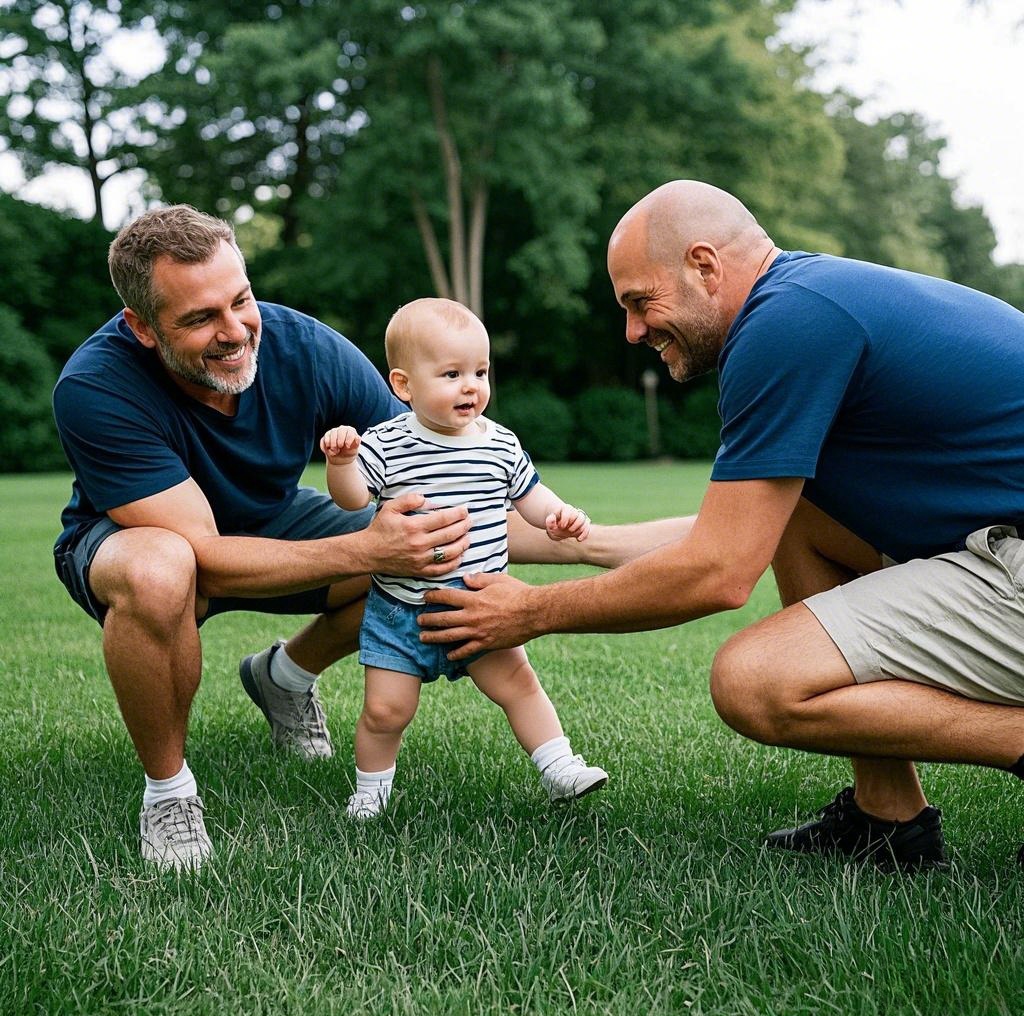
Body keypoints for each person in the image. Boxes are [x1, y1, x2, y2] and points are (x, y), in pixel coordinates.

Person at [419, 179, 1024, 872]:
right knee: (802, 514)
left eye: (640, 302)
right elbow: (737, 528)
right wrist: (559, 540)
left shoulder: (784, 326)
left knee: (755, 682)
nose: (633, 331)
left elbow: (719, 570)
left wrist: (528, 612)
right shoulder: (808, 299)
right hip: (998, 550)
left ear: (705, 266)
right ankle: (890, 821)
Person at [52, 205, 679, 870]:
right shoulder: (96, 385)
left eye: (241, 300)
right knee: (163, 571)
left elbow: (435, 493)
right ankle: (169, 792)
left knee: (410, 556)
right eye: (201, 318)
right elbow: (204, 557)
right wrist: (369, 549)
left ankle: (283, 677)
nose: (236, 331)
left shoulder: (305, 349)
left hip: (274, 517)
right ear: (142, 327)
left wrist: (593, 542)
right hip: (139, 537)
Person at [320, 298, 608, 819]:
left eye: (480, 371)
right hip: (398, 613)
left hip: (479, 605)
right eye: (452, 374)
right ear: (403, 386)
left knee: (518, 685)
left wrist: (558, 516)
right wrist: (341, 462)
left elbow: (531, 497)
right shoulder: (387, 443)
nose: (471, 385)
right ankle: (370, 792)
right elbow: (353, 499)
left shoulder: (499, 443)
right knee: (386, 711)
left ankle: (560, 766)